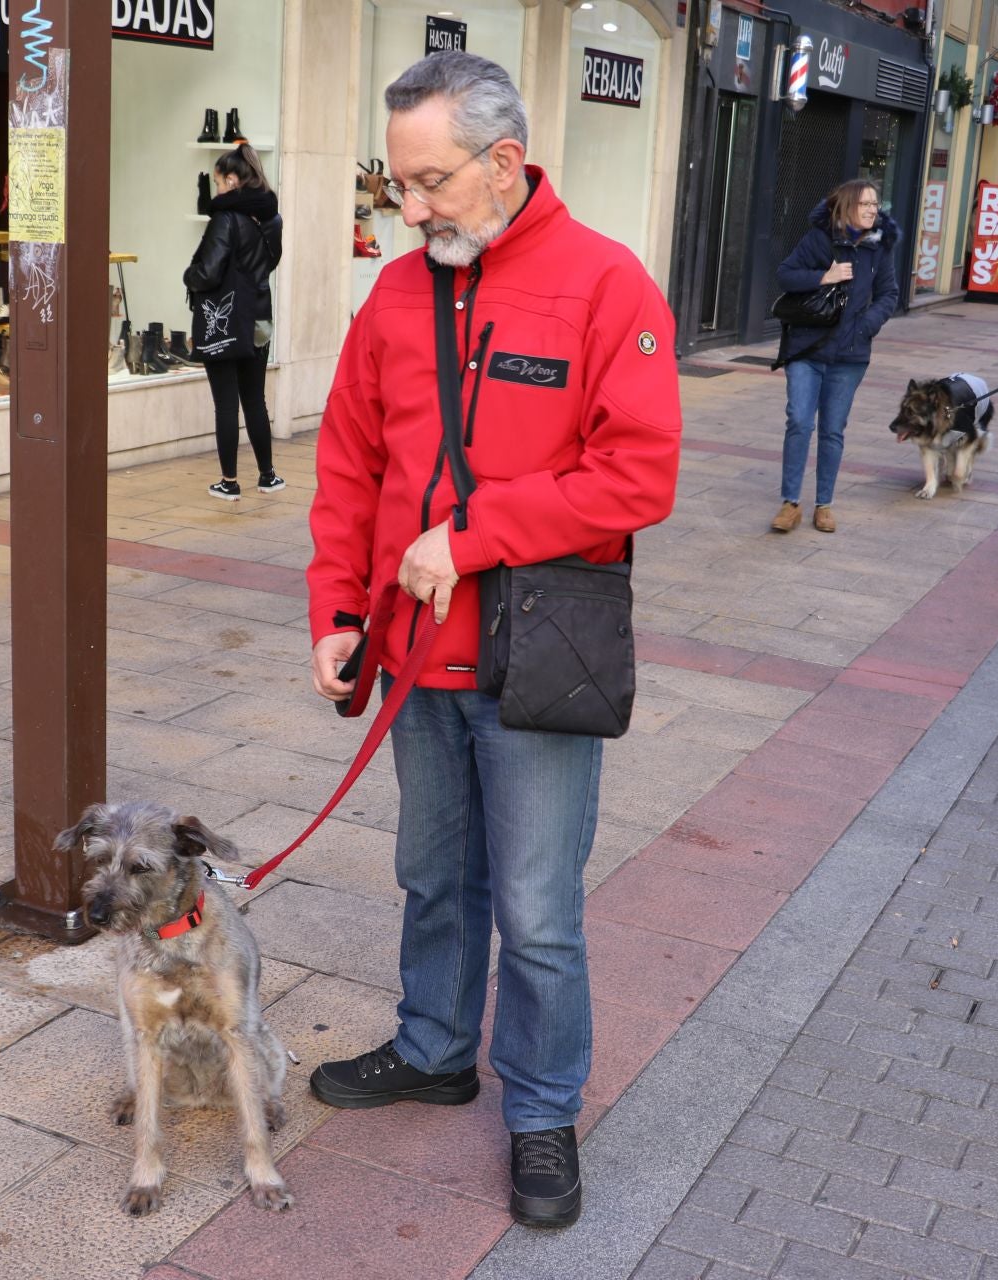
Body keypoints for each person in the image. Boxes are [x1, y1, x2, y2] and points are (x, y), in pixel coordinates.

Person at [302, 51, 681, 1229]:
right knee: (432, 875)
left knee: (538, 905)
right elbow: (350, 459)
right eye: (394, 185)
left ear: (505, 162)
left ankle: (542, 1110)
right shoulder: (397, 295)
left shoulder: (607, 283)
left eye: (428, 183)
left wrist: (473, 538)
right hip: (415, 657)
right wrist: (339, 607)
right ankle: (432, 1047)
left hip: (538, 662)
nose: (408, 211)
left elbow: (638, 474)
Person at [769, 180, 901, 533]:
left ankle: (824, 505)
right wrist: (823, 276)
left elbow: (889, 294)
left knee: (832, 430)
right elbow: (785, 275)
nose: (874, 209)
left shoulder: (880, 247)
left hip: (850, 355)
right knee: (799, 420)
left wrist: (865, 326)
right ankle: (790, 502)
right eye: (865, 203)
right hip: (807, 348)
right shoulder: (820, 239)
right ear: (846, 206)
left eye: (876, 203)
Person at [183, 143, 285, 502]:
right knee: (255, 399)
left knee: (226, 404)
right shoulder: (272, 217)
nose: (216, 189)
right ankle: (267, 476)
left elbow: (208, 272)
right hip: (259, 316)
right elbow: (268, 264)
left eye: (217, 181)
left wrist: (189, 277)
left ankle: (229, 482)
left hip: (226, 320)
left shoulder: (226, 219)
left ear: (230, 178)